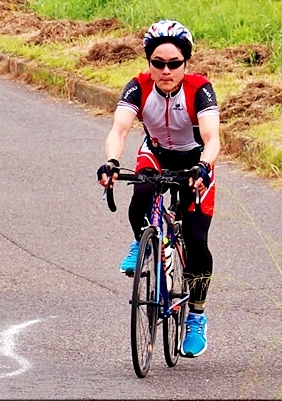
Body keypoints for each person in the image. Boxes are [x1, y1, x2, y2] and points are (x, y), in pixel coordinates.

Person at [97, 20, 220, 358]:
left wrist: (204, 166)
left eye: (174, 64)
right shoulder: (138, 87)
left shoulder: (200, 89)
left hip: (194, 160)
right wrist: (111, 162)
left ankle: (196, 316)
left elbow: (212, 138)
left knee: (196, 240)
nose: (166, 71)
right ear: (149, 63)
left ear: (185, 63)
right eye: (158, 63)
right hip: (156, 153)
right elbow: (120, 130)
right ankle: (143, 242)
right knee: (140, 195)